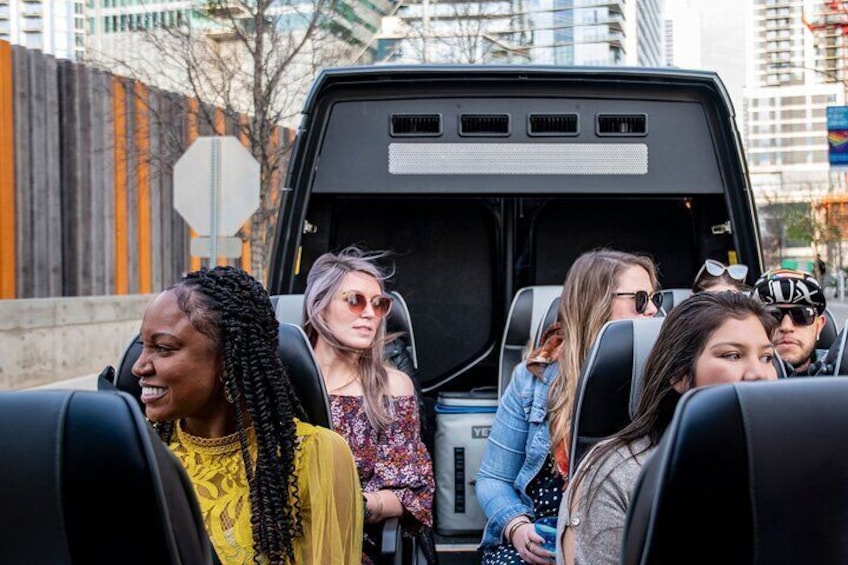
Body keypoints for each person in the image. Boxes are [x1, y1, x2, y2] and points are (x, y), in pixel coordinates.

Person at [132, 266, 363, 565]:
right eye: (143, 347)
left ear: (228, 361)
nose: (139, 366)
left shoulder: (314, 455)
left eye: (162, 348)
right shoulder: (140, 457)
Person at [557, 291, 778, 565]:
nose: (758, 373)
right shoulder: (620, 472)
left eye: (767, 357)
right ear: (679, 375)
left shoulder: (784, 461)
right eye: (733, 355)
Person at [476, 248, 661, 565]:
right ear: (596, 304)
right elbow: (493, 479)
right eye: (641, 299)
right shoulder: (532, 379)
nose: (654, 311)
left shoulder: (667, 378)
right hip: (541, 540)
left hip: (632, 534)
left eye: (656, 299)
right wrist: (517, 528)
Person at [303, 246, 435, 565]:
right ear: (319, 307)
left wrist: (353, 505)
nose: (369, 313)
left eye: (379, 304)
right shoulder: (283, 380)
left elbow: (412, 492)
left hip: (353, 543)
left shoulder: (390, 387)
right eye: (354, 300)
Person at [753, 268, 829, 376]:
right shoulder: (739, 377)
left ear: (819, 326)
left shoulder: (840, 375)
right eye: (772, 315)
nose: (786, 327)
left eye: (801, 315)